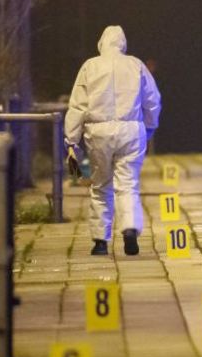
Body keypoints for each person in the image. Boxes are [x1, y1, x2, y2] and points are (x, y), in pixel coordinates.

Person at [64, 26, 161, 256]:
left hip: (98, 132)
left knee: (100, 186)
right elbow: (153, 100)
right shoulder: (136, 65)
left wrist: (71, 139)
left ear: (101, 43)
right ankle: (129, 229)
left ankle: (100, 240)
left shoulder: (90, 66)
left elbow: (78, 105)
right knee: (128, 184)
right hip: (131, 130)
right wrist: (149, 127)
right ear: (123, 44)